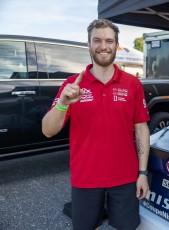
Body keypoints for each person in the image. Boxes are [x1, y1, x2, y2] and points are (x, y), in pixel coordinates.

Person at [42, 19, 150, 230]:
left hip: (125, 178)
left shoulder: (132, 84)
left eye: (109, 41)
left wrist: (143, 174)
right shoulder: (72, 85)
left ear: (116, 45)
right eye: (97, 40)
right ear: (89, 44)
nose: (103, 46)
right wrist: (63, 104)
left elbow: (141, 129)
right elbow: (47, 130)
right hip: (85, 178)